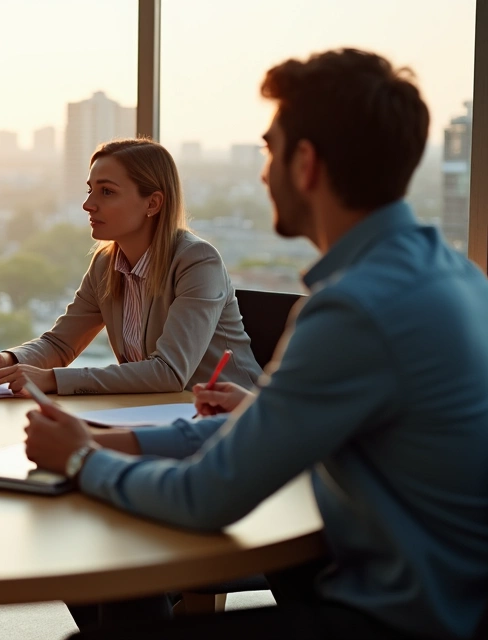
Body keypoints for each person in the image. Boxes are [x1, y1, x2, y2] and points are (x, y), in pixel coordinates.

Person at [25, 49, 488, 640]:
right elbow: (264, 424)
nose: (262, 172)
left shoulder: (355, 309)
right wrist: (104, 438)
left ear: (307, 163)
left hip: (393, 619)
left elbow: (205, 496)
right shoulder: (455, 277)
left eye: (269, 149)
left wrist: (82, 459)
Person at [0, 139, 260, 395]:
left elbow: (169, 373)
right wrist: (8, 361)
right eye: (90, 190)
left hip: (229, 423)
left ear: (153, 203)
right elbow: (60, 344)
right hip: (156, 414)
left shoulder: (197, 262)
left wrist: (53, 380)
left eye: (106, 192)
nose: (88, 205)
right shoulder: (105, 263)